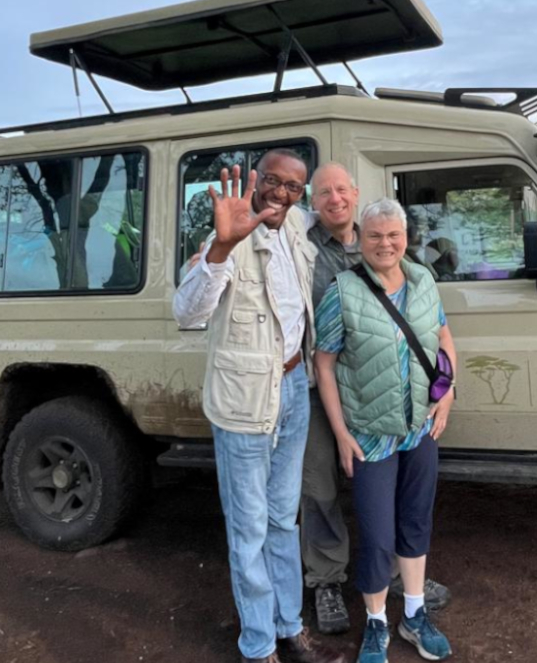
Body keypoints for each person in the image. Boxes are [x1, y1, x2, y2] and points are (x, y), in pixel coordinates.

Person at [173, 150, 344, 663]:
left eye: (293, 187)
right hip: (245, 402)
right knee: (248, 528)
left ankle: (290, 626)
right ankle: (258, 644)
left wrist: (356, 214)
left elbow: (332, 210)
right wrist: (222, 245)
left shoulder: (296, 226)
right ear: (256, 179)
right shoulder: (229, 237)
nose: (280, 193)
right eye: (272, 181)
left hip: (294, 388)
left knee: (283, 521)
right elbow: (187, 313)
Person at [302, 164, 451, 636]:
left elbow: (439, 335)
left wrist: (446, 389)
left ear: (355, 193)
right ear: (313, 201)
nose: (334, 198)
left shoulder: (412, 271)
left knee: (403, 506)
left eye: (341, 189)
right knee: (321, 487)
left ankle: (400, 581)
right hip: (324, 388)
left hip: (393, 397)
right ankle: (327, 580)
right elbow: (323, 357)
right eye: (324, 192)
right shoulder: (302, 247)